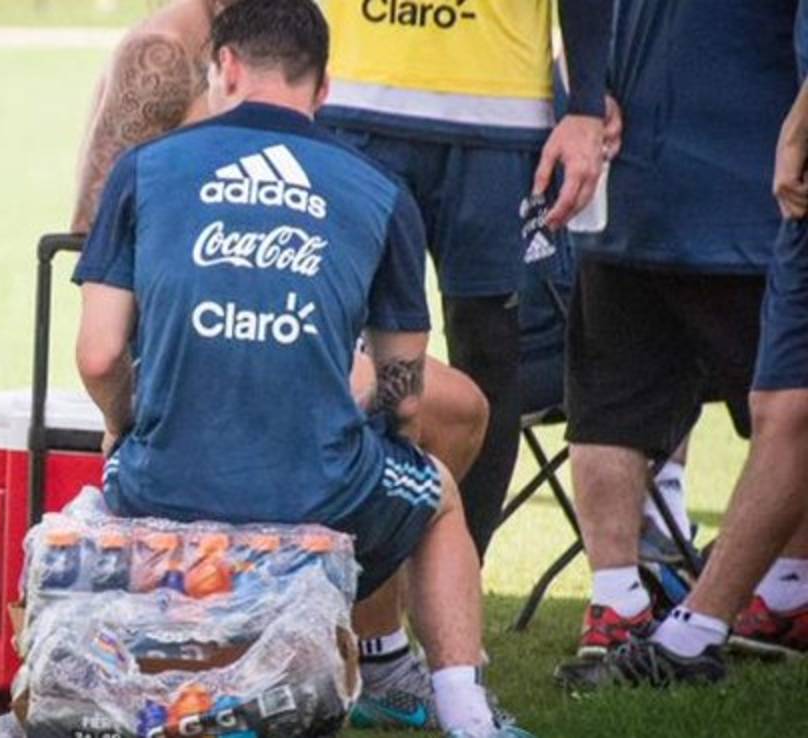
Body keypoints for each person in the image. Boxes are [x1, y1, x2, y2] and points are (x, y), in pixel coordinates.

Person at [75, 3, 532, 736]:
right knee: (438, 494)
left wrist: (124, 425)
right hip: (317, 486)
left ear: (223, 67)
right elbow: (405, 389)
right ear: (325, 90)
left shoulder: (145, 169)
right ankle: (463, 710)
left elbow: (98, 356)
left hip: (157, 480)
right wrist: (380, 427)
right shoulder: (378, 189)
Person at [70, 0, 490, 486]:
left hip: (294, 302)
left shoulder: (282, 33)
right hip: (195, 330)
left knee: (462, 407)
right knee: (432, 409)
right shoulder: (164, 52)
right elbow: (95, 224)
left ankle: (358, 552)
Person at [559, 0, 808, 687]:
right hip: (754, 192)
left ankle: (616, 600)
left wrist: (580, 93)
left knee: (611, 404)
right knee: (788, 415)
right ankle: (783, 592)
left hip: (633, 182)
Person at [317, 0, 613, 562]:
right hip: (351, 103)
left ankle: (456, 579)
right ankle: (340, 576)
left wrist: (587, 108)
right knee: (335, 352)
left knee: (491, 354)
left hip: (497, 121)